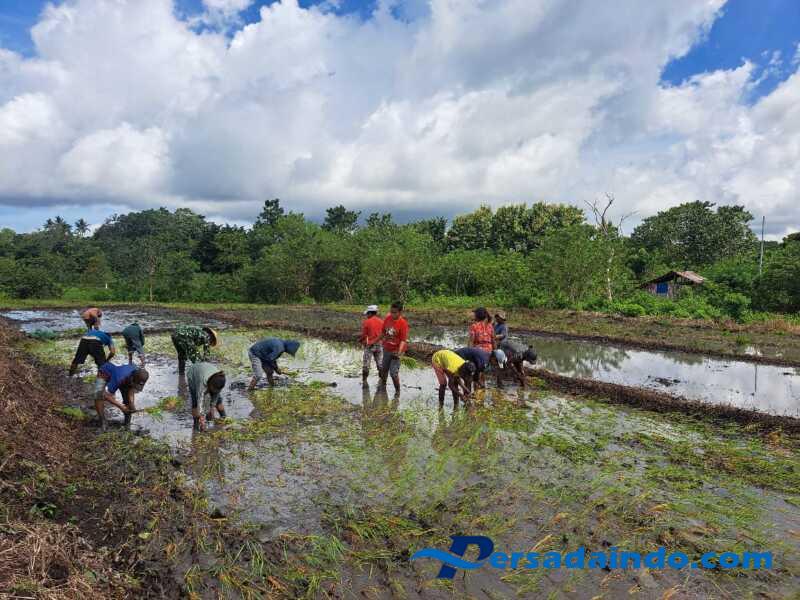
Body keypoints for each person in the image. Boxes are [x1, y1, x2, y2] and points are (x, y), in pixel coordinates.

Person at [95, 362, 149, 430]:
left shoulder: (138, 373)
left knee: (128, 403)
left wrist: (132, 404)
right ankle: (102, 420)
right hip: (104, 373)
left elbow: (131, 390)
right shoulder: (118, 378)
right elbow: (105, 394)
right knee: (98, 395)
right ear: (132, 379)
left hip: (124, 378)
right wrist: (121, 407)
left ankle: (127, 424)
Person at [379, 302, 409, 393]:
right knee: (384, 369)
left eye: (394, 312)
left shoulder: (403, 323)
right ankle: (383, 388)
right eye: (391, 312)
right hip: (387, 348)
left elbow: (403, 340)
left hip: (397, 350)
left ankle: (397, 392)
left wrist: (398, 353)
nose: (392, 314)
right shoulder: (387, 318)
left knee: (393, 373)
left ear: (400, 312)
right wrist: (374, 341)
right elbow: (383, 332)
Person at [187, 362, 227, 431]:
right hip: (193, 375)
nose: (214, 392)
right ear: (210, 385)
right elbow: (200, 401)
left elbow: (214, 401)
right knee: (195, 403)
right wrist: (202, 418)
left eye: (217, 390)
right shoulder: (202, 384)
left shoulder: (219, 382)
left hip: (208, 371)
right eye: (213, 390)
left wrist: (211, 408)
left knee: (218, 401)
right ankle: (196, 425)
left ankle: (224, 418)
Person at [360, 304, 383, 385]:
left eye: (367, 314)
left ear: (370, 313)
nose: (366, 315)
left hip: (370, 345)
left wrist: (361, 341)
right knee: (380, 364)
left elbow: (364, 335)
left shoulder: (367, 322)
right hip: (380, 345)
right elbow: (383, 334)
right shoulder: (381, 322)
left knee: (366, 365)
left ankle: (364, 381)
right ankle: (382, 380)